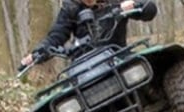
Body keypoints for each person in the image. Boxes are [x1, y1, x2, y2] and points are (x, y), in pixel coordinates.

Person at [20, 0, 158, 68]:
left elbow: (148, 10)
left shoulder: (115, 1)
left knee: (151, 68)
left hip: (118, 55)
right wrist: (38, 53)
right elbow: (57, 34)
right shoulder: (70, 8)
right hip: (83, 66)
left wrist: (136, 5)